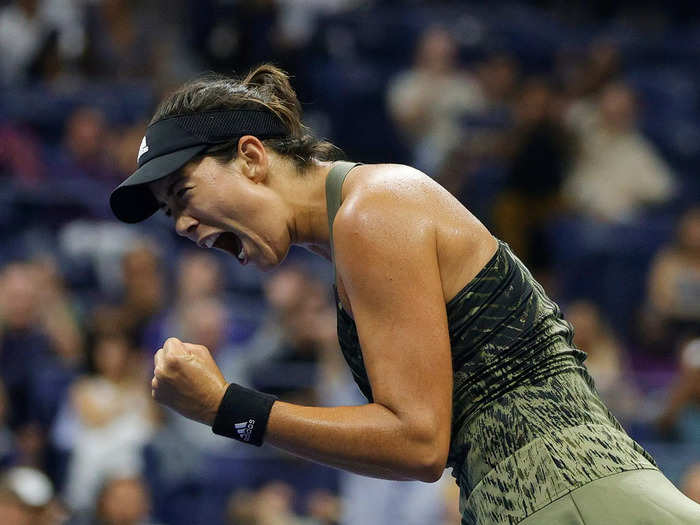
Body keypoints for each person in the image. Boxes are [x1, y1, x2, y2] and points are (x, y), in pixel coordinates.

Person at [109, 64, 700, 524]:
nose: (182, 226)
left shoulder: (372, 210)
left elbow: (417, 442)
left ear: (252, 158)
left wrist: (228, 409)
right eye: (169, 213)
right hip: (540, 499)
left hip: (571, 499)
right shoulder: (354, 231)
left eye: (183, 193)